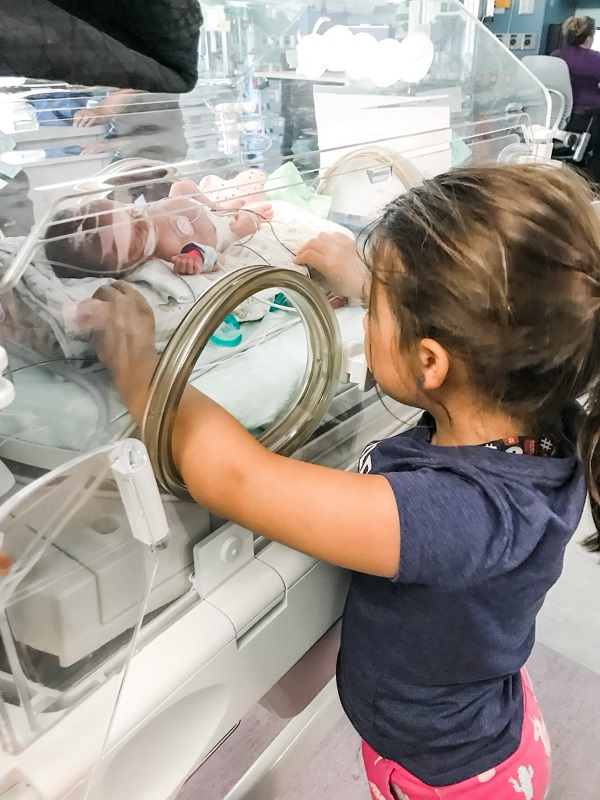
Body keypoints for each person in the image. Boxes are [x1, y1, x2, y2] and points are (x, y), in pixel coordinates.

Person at [81, 163, 600, 800]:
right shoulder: (544, 415)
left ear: (431, 360)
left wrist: (137, 364)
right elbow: (454, 354)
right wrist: (371, 286)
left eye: (374, 313)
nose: (364, 319)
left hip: (447, 777)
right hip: (489, 716)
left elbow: (233, 477)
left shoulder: (457, 515)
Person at [44, 180, 273, 279]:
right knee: (246, 225)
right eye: (139, 231)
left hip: (197, 207)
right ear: (127, 267)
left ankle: (219, 208)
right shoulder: (167, 253)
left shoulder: (139, 218)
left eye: (132, 213)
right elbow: (215, 258)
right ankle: (241, 219)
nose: (142, 218)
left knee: (181, 186)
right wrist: (194, 258)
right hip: (219, 231)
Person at [553, 17, 600, 180]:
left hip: (559, 119)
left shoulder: (556, 55)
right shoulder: (596, 59)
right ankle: (590, 184)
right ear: (589, 38)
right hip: (587, 120)